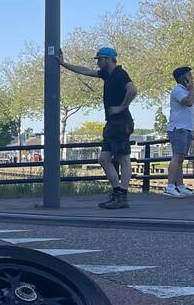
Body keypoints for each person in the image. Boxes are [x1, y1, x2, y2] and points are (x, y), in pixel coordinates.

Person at [58, 46, 138, 209]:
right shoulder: (107, 75)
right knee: (103, 159)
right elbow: (86, 71)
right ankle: (117, 192)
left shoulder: (120, 74)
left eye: (99, 59)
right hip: (113, 123)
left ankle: (122, 195)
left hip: (121, 122)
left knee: (123, 158)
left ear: (107, 59)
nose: (98, 63)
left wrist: (121, 107)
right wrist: (64, 64)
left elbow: (132, 90)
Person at [165, 66, 194, 198]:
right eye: (189, 75)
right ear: (183, 78)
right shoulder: (178, 91)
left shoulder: (185, 90)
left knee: (180, 159)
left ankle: (180, 185)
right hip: (178, 128)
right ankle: (170, 186)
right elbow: (188, 103)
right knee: (177, 157)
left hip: (186, 127)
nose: (192, 77)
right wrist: (191, 90)